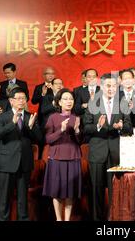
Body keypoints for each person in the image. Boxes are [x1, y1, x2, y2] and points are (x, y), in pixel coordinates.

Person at [83, 73, 132, 221]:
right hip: (97, 151)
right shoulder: (93, 103)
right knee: (96, 190)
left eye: (114, 86)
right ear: (102, 86)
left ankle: (114, 218)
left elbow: (129, 127)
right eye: (108, 86)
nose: (111, 89)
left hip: (116, 152)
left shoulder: (122, 103)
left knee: (115, 190)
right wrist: (98, 125)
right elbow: (86, 127)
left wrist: (122, 127)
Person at [0, 88, 42, 221]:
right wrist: (12, 124)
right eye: (18, 98)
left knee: (23, 198)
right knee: (4, 198)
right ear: (11, 100)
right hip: (7, 163)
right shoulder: (2, 117)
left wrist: (31, 127)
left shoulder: (30, 116)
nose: (22, 101)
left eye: (23, 98)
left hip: (25, 162)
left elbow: (39, 138)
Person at [43, 89, 82, 221]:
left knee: (70, 192)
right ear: (59, 102)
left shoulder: (76, 118)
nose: (68, 101)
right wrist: (61, 130)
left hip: (73, 157)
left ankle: (67, 219)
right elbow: (48, 139)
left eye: (71, 99)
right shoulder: (53, 117)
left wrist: (76, 131)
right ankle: (59, 219)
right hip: (57, 157)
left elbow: (79, 141)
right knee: (57, 192)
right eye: (65, 99)